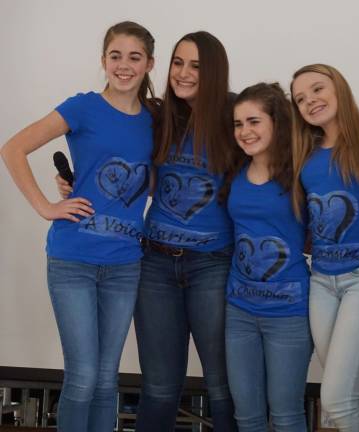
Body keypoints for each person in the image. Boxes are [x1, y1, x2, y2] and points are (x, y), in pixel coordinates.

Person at [1, 21, 155, 432]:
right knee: (83, 376)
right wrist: (45, 205)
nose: (123, 66)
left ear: (149, 64)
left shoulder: (155, 119)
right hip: (74, 261)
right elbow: (13, 147)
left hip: (126, 264)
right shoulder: (83, 107)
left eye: (134, 57)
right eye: (115, 56)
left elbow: (149, 179)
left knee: (107, 381)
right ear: (104, 60)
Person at [133, 31, 237, 432]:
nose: (184, 72)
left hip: (213, 265)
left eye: (195, 65)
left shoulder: (235, 115)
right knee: (159, 388)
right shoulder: (157, 117)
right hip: (154, 264)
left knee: (222, 386)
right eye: (178, 62)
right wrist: (71, 184)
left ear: (214, 71)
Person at [290, 64, 359, 431]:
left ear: (339, 88)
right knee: (344, 401)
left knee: (336, 400)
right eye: (301, 99)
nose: (310, 101)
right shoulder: (307, 152)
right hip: (321, 281)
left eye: (317, 90)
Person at [224, 83, 313, 431]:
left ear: (277, 122)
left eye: (254, 121)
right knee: (247, 416)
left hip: (289, 314)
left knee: (286, 414)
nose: (245, 132)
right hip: (239, 312)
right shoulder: (234, 173)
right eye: (238, 124)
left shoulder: (303, 173)